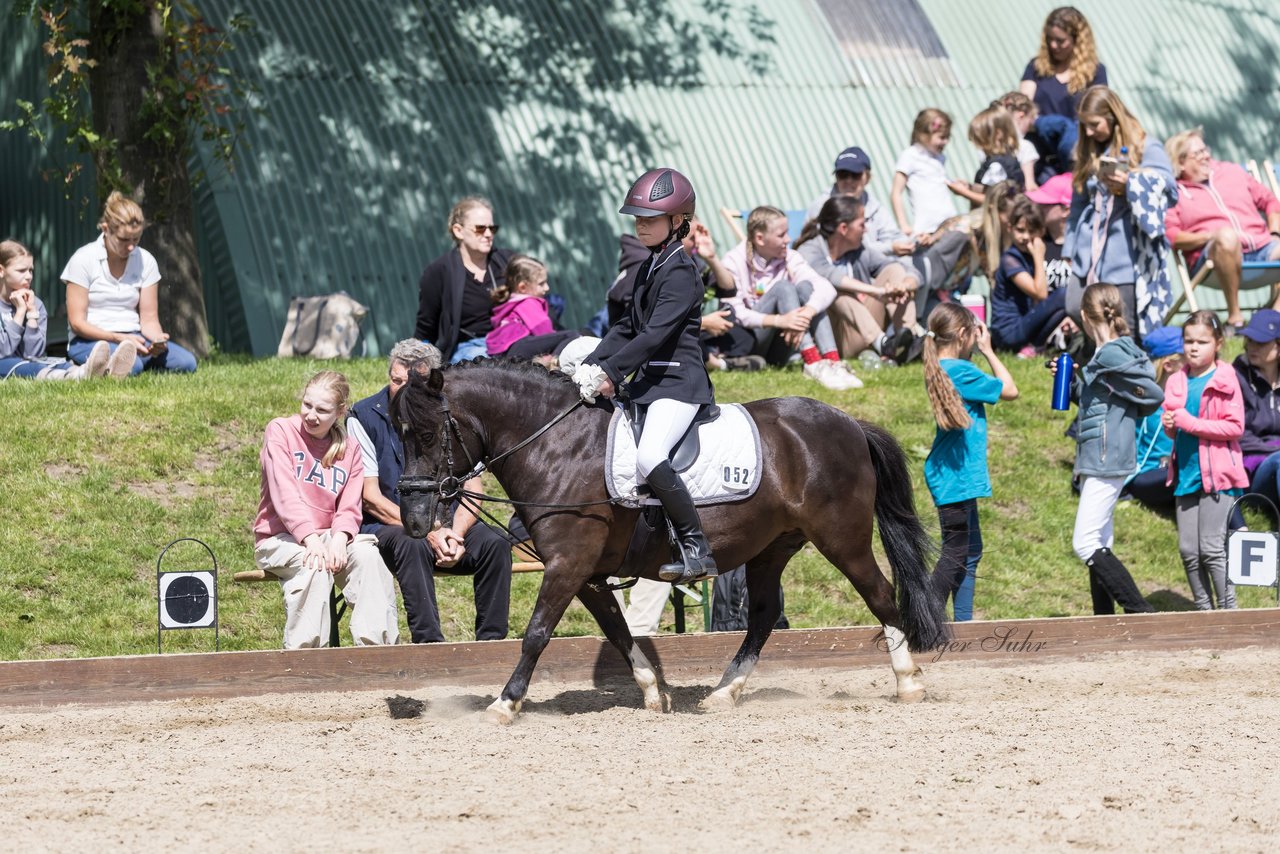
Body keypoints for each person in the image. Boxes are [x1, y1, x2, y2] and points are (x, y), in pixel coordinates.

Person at [573, 167, 719, 585]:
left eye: (650, 218)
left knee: (650, 456)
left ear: (678, 222)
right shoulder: (650, 266)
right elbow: (626, 327)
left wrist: (610, 373)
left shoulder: (681, 271)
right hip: (648, 386)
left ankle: (696, 547)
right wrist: (591, 361)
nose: (640, 225)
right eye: (637, 218)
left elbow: (655, 335)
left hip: (677, 384)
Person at [348, 340, 512, 642]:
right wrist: (431, 534)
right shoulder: (364, 416)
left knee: (496, 545)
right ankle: (430, 645)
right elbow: (370, 497)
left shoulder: (451, 413)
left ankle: (492, 645)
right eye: (396, 380)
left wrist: (455, 533)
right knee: (413, 545)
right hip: (390, 523)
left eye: (413, 383)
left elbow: (472, 490)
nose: (402, 389)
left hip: (447, 522)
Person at [253, 370, 400, 648]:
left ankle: (379, 653)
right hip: (280, 538)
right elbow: (284, 495)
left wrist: (341, 538)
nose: (311, 415)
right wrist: (310, 540)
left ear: (340, 412)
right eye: (307, 405)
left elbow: (350, 505)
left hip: (329, 537)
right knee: (315, 565)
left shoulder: (350, 449)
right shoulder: (281, 431)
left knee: (368, 557)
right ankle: (307, 659)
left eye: (322, 410)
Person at [1059, 284, 1161, 614]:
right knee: (1101, 542)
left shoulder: (1112, 355)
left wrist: (1122, 394)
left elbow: (1151, 393)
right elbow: (1097, 403)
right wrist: (1076, 382)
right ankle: (1104, 621)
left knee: (1085, 542)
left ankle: (1140, 611)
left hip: (1106, 456)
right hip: (1099, 454)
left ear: (1086, 318)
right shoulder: (1104, 356)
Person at [922, 303, 1018, 621]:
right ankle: (927, 617)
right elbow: (1010, 390)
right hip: (956, 475)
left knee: (970, 550)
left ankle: (964, 622)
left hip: (950, 474)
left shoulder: (941, 367)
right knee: (956, 550)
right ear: (964, 335)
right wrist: (989, 351)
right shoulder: (961, 372)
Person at [807, 146, 972, 321]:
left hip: (871, 273)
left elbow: (891, 238)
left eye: (854, 175)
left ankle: (909, 326)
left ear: (867, 177)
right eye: (842, 175)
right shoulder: (824, 207)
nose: (848, 181)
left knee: (915, 264)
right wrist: (891, 248)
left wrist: (912, 241)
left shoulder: (875, 207)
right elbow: (838, 251)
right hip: (840, 284)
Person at [1064, 86, 1177, 341]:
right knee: (1074, 306)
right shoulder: (1087, 149)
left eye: (1094, 124)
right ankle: (1100, 353)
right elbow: (1078, 202)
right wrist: (1069, 249)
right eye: (1085, 126)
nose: (1089, 132)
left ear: (1113, 116)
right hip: (1088, 248)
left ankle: (1127, 371)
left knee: (1124, 321)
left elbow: (1169, 187)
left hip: (1126, 250)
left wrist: (1131, 184)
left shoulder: (1145, 146)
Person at [720, 205, 862, 390]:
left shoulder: (790, 257)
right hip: (751, 342)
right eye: (781, 235)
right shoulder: (733, 261)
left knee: (806, 288)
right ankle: (812, 361)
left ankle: (832, 362)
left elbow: (825, 287)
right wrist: (780, 320)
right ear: (760, 238)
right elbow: (736, 313)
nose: (788, 239)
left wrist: (807, 312)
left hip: (784, 340)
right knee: (783, 288)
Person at [1162, 311, 1247, 610]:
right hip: (1186, 474)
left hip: (1219, 476)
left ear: (1218, 343)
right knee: (1188, 550)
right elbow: (1175, 430)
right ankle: (1203, 610)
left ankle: (1229, 610)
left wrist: (1188, 421)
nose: (1193, 347)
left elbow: (1235, 427)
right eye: (1188, 341)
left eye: (1202, 341)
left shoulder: (1225, 378)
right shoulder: (1176, 381)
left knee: (1212, 548)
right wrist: (1170, 424)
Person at [60, 191, 198, 375]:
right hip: (90, 340)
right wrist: (118, 338)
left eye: (136, 239)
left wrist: (157, 340)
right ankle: (100, 365)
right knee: (132, 366)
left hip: (135, 337)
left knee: (187, 363)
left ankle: (128, 363)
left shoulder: (146, 260)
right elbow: (77, 323)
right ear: (105, 229)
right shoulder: (83, 259)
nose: (131, 246)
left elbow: (149, 320)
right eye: (124, 240)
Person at [1164, 128, 1280, 330]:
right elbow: (1172, 236)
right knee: (1226, 237)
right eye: (1198, 153)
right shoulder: (1175, 193)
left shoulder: (1232, 171)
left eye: (1205, 150)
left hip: (1261, 247)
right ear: (1181, 162)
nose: (1206, 156)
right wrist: (1210, 236)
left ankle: (1273, 318)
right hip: (1211, 260)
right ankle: (1235, 319)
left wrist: (1275, 233)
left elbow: (1270, 201)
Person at [793, 195, 921, 363]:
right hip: (834, 339)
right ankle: (884, 344)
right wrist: (879, 292)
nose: (866, 229)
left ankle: (907, 339)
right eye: (862, 224)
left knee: (894, 270)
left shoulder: (859, 251)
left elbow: (908, 270)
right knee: (832, 290)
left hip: (862, 330)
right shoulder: (809, 250)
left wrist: (904, 285)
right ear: (844, 228)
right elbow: (832, 276)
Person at [2, 239, 133, 380]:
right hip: (4, 363)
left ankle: (99, 372)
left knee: (57, 362)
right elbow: (4, 351)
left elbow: (33, 354)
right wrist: (20, 313)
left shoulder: (36, 304)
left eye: (30, 270)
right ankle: (77, 376)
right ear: (1, 271)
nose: (28, 276)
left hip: (29, 362)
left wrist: (32, 314)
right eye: (21, 271)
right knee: (24, 366)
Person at [414, 196, 515, 363]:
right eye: (480, 228)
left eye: (492, 228)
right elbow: (426, 327)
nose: (488, 234)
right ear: (458, 231)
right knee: (486, 364)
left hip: (509, 340)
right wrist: (413, 362)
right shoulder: (439, 271)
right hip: (467, 349)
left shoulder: (508, 261)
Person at [1019, 6, 1107, 176]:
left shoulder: (1095, 72)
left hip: (1076, 156)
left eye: (1060, 40)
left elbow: (1099, 115)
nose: (1053, 45)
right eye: (1050, 39)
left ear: (1078, 40)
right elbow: (1023, 110)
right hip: (1040, 160)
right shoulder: (1036, 68)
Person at [990, 196, 1070, 356]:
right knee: (1063, 294)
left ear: (1041, 231)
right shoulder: (1010, 260)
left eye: (1031, 231)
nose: (1025, 237)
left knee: (1066, 298)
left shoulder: (1029, 253)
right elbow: (1040, 293)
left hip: (1024, 324)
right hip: (1008, 333)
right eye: (1020, 230)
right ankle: (1034, 346)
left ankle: (1034, 347)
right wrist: (1039, 256)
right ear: (1009, 228)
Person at [1124, 325, 1184, 514]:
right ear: (1169, 365)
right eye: (1187, 357)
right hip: (1146, 475)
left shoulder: (1189, 396)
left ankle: (1238, 533)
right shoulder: (1143, 401)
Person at [891, 109, 967, 242]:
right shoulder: (911, 155)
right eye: (942, 137)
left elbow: (936, 183)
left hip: (947, 221)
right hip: (927, 226)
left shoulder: (940, 158)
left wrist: (956, 184)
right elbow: (896, 192)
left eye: (947, 137)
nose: (945, 142)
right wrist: (903, 224)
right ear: (923, 134)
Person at [485, 255, 579, 361]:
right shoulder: (528, 302)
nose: (547, 288)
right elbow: (543, 330)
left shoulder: (512, 301)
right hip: (518, 347)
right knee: (572, 335)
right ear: (523, 287)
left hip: (504, 351)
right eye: (541, 284)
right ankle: (551, 364)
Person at [1233, 310, 1280, 510]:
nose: (1252, 347)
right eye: (1249, 340)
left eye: (1260, 342)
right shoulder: (1234, 377)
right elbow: (1238, 433)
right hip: (1252, 468)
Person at [954, 106, 1024, 206]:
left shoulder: (997, 165)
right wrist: (970, 187)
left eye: (980, 139)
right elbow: (989, 189)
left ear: (997, 135)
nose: (977, 145)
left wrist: (963, 192)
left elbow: (992, 202)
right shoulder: (1005, 159)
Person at [1027, 174, 1074, 293]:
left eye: (1046, 204)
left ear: (1066, 210)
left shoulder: (1085, 247)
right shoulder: (1034, 243)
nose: (1038, 207)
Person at [993, 91, 1041, 190]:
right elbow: (1029, 186)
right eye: (1031, 119)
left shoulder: (991, 143)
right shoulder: (1025, 146)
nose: (1031, 127)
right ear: (1021, 115)